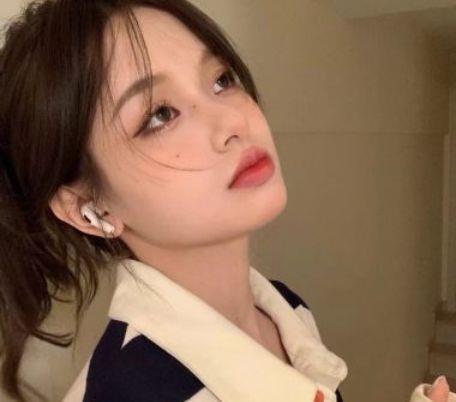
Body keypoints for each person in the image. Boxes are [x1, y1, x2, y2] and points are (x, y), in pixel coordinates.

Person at [0, 1, 452, 401]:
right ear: (87, 207)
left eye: (221, 80)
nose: (233, 121)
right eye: (160, 115)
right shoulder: (130, 390)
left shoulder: (284, 310)